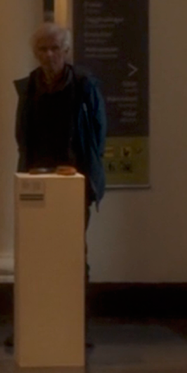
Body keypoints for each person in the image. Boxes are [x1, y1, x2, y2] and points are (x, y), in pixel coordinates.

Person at [14, 22, 108, 225]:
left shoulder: (83, 85)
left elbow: (98, 129)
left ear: (66, 51)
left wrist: (92, 164)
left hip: (75, 173)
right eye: (43, 49)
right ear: (36, 54)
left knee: (73, 232)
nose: (49, 55)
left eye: (55, 48)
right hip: (38, 172)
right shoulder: (29, 87)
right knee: (39, 230)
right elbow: (22, 132)